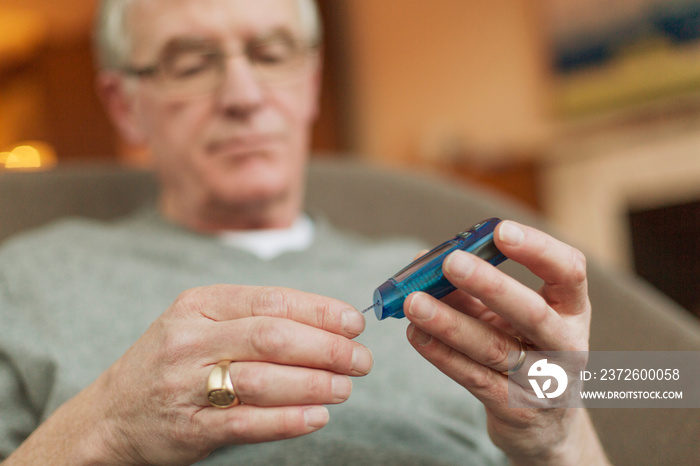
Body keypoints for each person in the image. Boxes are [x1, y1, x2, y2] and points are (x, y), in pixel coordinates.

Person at [0, 0, 610, 464]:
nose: (243, 95)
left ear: (312, 80)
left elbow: (670, 384)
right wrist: (107, 421)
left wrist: (560, 431)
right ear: (124, 105)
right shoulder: (23, 282)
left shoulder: (454, 291)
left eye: (271, 55)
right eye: (190, 64)